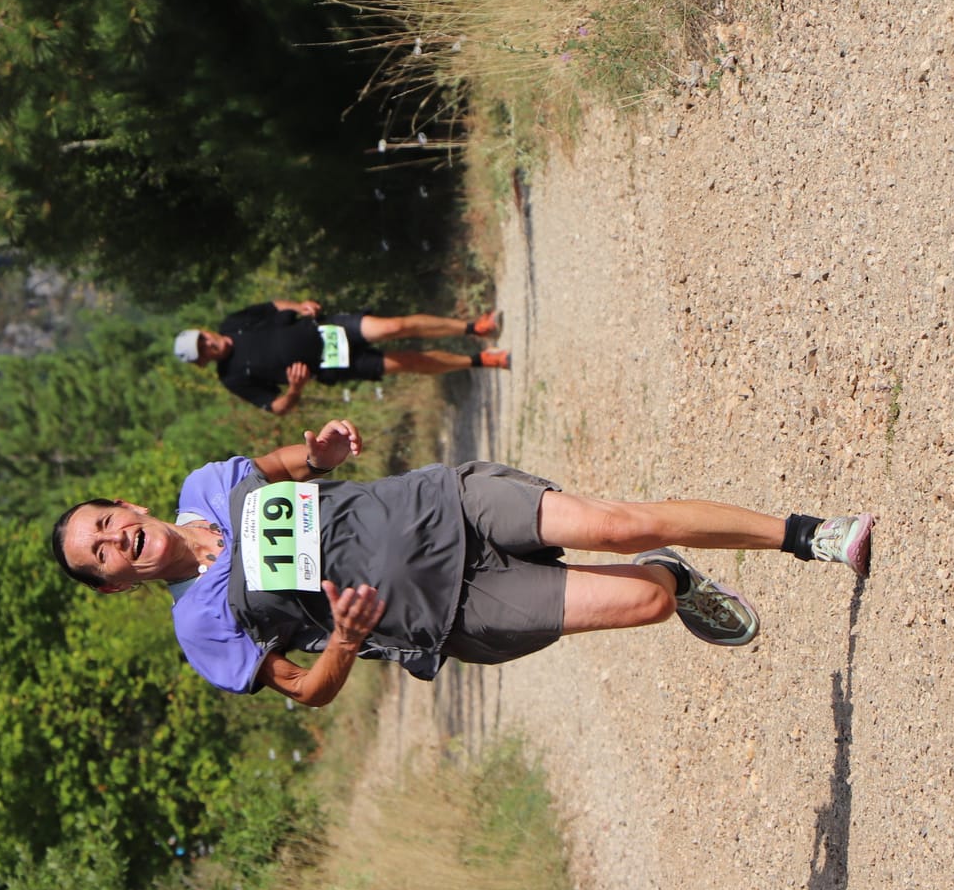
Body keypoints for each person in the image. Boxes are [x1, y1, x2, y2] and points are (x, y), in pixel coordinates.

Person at [49, 422, 873, 706]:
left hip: (445, 502)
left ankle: (810, 535)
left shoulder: (208, 483)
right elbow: (304, 688)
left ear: (124, 505)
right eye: (100, 555)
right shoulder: (199, 625)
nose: (113, 539)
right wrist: (340, 641)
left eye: (104, 523)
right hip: (448, 610)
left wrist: (318, 450)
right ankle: (677, 577)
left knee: (619, 521)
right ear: (114, 582)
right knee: (647, 602)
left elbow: (280, 466)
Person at [174, 299, 510, 415]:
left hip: (326, 328)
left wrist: (299, 307)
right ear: (202, 362)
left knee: (394, 326)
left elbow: (273, 307)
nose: (208, 346)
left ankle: (474, 327)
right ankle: (481, 360)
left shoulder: (232, 322)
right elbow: (275, 407)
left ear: (205, 331)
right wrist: (295, 389)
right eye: (201, 352)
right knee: (405, 362)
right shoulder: (230, 377)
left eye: (202, 339)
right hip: (332, 365)